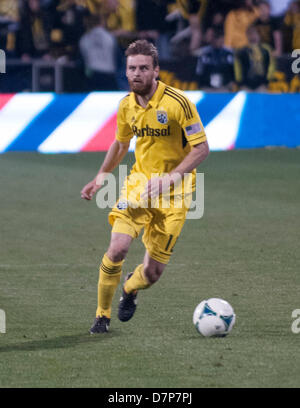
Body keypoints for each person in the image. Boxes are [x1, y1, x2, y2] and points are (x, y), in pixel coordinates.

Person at [80, 39, 209, 334]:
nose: (136, 73)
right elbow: (121, 142)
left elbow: (201, 149)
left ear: (156, 71)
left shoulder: (179, 104)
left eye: (143, 68)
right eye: (131, 68)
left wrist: (170, 177)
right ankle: (102, 315)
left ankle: (130, 287)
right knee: (118, 247)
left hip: (175, 194)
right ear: (126, 71)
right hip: (138, 187)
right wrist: (101, 175)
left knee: (152, 273)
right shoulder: (126, 105)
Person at [234, 25, 275, 91]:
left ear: (259, 35)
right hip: (246, 85)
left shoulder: (266, 49)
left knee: (262, 98)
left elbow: (271, 64)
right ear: (247, 36)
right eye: (250, 34)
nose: (252, 37)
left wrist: (268, 80)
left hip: (262, 84)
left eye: (254, 34)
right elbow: (238, 66)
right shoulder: (242, 50)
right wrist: (239, 81)